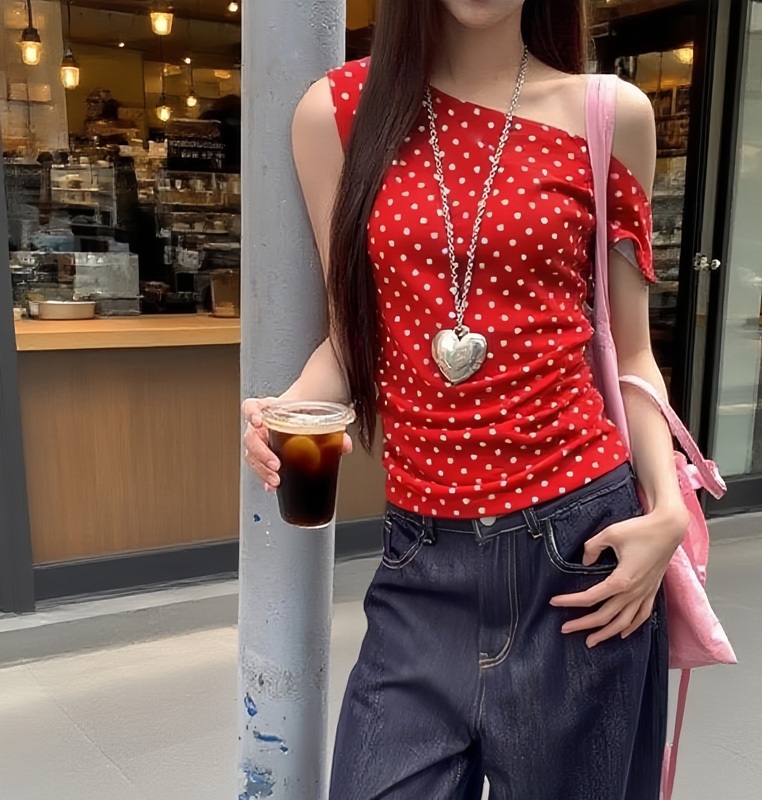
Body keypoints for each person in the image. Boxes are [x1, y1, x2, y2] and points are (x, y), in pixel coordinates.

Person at [242, 1, 689, 798]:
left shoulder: (608, 115)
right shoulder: (339, 114)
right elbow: (349, 340)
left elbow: (632, 354)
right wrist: (287, 412)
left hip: (580, 552)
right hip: (421, 562)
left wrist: (669, 511)